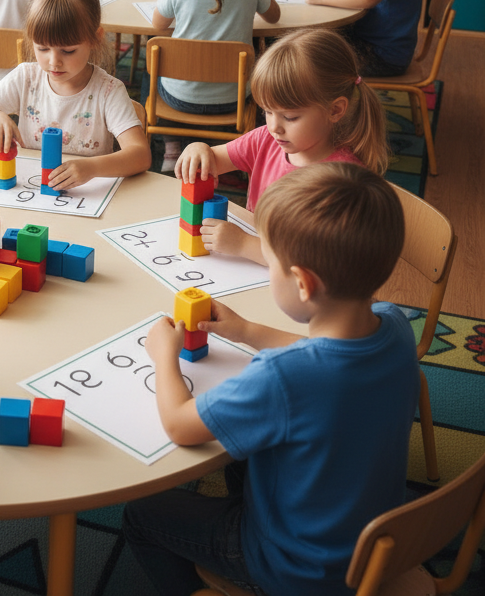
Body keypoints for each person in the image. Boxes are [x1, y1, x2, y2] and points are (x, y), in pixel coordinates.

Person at [122, 162, 419, 596]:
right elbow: (330, 361)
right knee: (245, 453)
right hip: (372, 542)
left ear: (302, 283)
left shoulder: (282, 378)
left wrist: (163, 356)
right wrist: (247, 332)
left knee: (142, 515)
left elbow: (180, 426)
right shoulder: (395, 327)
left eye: (272, 261)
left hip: (292, 565)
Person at [176, 28, 389, 264]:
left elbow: (311, 259)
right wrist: (198, 148)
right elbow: (213, 159)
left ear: (335, 110)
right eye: (267, 111)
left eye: (290, 117)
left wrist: (244, 244)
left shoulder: (342, 182)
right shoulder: (265, 139)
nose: (274, 126)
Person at [0, 0, 150, 186]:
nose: (54, 61)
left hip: (86, 196)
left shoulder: (108, 91)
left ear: (95, 39)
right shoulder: (25, 77)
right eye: (42, 48)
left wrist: (92, 167)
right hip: (33, 189)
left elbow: (140, 155)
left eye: (68, 51)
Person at [147, 0, 280, 171]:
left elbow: (158, 24)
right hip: (233, 98)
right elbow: (275, 17)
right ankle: (232, 155)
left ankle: (171, 148)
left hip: (178, 98)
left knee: (151, 73)